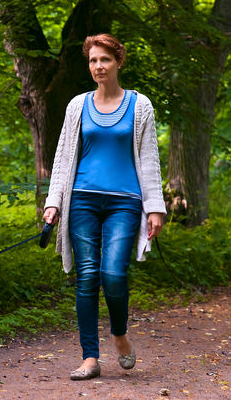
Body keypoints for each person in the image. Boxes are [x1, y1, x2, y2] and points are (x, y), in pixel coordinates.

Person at [43, 33, 166, 380]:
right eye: (93, 61)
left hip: (125, 202)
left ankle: (119, 334)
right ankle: (89, 358)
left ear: (118, 62)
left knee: (113, 274)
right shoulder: (77, 106)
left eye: (105, 60)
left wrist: (154, 206)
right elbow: (64, 159)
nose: (98, 66)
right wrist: (54, 203)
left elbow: (149, 158)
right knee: (86, 278)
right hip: (81, 199)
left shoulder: (139, 105)